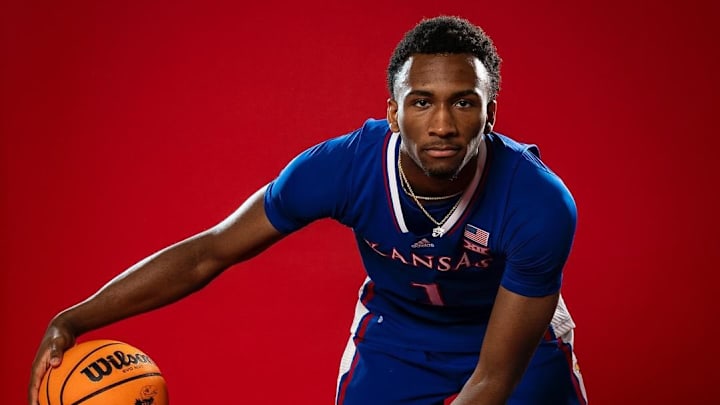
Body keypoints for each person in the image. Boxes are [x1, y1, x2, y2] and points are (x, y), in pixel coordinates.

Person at [28, 15, 588, 405]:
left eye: (464, 102)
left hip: (511, 339)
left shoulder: (538, 203)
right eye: (422, 102)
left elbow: (492, 378)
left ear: (490, 115)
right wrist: (74, 319)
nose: (442, 124)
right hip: (399, 331)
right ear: (393, 112)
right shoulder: (342, 168)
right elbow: (209, 253)